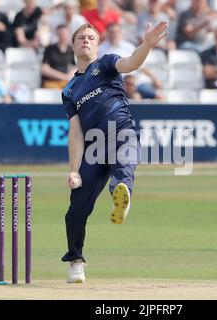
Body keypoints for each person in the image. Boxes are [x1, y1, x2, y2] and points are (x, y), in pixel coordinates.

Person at [61, 21, 168, 283]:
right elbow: (75, 132)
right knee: (76, 211)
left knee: (124, 166)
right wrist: (74, 170)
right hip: (94, 148)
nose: (86, 41)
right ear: (73, 45)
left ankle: (121, 193)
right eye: (81, 38)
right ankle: (76, 260)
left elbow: (131, 63)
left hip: (121, 132)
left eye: (91, 38)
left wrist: (147, 45)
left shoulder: (106, 63)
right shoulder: (69, 90)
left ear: (97, 45)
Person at [41, 24, 76, 89]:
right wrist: (64, 77)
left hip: (65, 83)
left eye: (65, 34)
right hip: (51, 82)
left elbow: (76, 67)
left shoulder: (71, 50)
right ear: (57, 35)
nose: (63, 36)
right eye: (61, 34)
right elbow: (44, 69)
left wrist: (70, 75)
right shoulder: (50, 49)